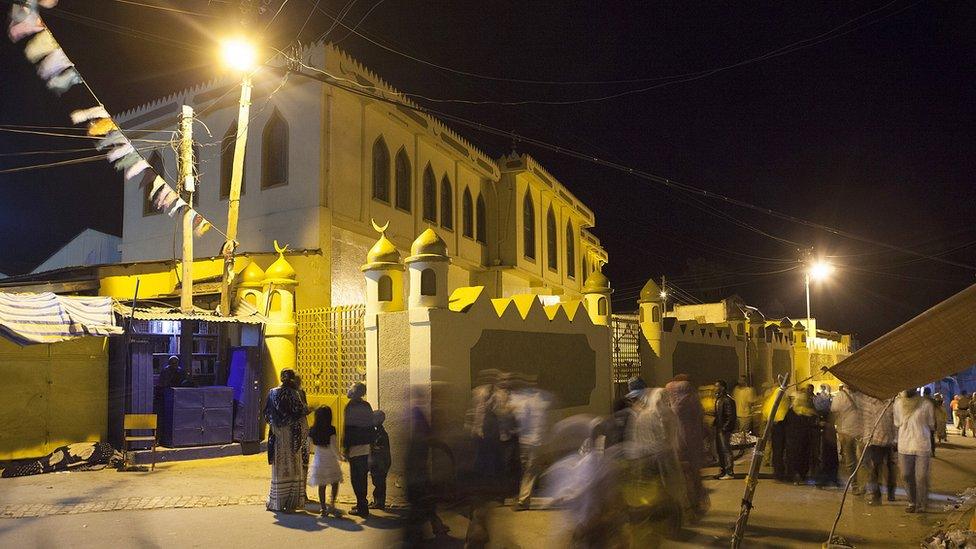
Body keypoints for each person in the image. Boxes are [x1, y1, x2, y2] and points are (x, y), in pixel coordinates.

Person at [264, 369, 310, 512]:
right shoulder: (294, 393)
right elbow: (300, 411)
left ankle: (277, 501)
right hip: (291, 436)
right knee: (293, 467)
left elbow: (267, 414)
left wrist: (275, 425)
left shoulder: (272, 393)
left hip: (277, 436)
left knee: (279, 468)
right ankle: (291, 501)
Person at [666, 374, 709, 518]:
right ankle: (695, 504)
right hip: (694, 446)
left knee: (682, 477)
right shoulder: (694, 401)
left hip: (677, 446)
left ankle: (686, 507)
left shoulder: (671, 405)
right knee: (695, 476)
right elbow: (702, 423)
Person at [508, 374, 551, 511]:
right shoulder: (539, 400)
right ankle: (523, 497)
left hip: (527, 440)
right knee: (530, 470)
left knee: (528, 470)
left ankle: (522, 498)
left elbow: (523, 420)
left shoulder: (527, 400)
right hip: (532, 440)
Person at [894, 389, 935, 513]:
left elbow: (931, 423)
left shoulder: (926, 404)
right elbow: (896, 423)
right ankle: (912, 501)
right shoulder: (898, 404)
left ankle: (922, 504)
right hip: (904, 445)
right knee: (906, 475)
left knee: (921, 477)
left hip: (922, 445)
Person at [343, 382, 375, 517]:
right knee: (362, 477)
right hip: (365, 445)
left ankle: (362, 506)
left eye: (351, 387)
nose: (349, 389)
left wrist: (345, 447)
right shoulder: (366, 405)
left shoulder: (350, 406)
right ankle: (362, 503)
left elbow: (348, 428)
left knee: (356, 478)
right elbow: (371, 425)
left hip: (355, 446)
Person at [859, 393, 897, 505]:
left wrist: (895, 440)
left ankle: (891, 493)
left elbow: (895, 424)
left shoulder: (890, 404)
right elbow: (866, 423)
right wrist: (865, 439)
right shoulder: (869, 403)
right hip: (874, 442)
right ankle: (876, 496)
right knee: (875, 470)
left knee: (890, 469)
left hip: (888, 442)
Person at [307, 406, 344, 517]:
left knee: (321, 484)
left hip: (319, 457)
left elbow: (309, 446)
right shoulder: (331, 429)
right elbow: (333, 445)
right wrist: (340, 457)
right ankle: (332, 504)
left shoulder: (312, 429)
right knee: (334, 482)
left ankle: (323, 508)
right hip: (330, 458)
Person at [831, 385, 863, 494]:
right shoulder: (859, 395)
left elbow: (834, 414)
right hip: (851, 432)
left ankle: (857, 485)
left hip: (849, 431)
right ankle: (856, 485)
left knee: (853, 460)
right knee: (856, 460)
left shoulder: (839, 397)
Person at [786, 384, 819, 485]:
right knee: (804, 458)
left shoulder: (791, 412)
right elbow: (814, 424)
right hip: (806, 440)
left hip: (793, 440)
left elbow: (786, 425)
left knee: (794, 457)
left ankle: (795, 476)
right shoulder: (810, 413)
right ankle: (802, 475)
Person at [712, 379, 736, 480]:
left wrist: (725, 428)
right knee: (720, 450)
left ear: (722, 387)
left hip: (724, 430)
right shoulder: (719, 399)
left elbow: (731, 416)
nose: (715, 388)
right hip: (719, 429)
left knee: (726, 450)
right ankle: (723, 471)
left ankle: (729, 472)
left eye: (717, 386)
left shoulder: (727, 400)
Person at [369, 410, 391, 510]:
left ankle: (379, 503)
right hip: (379, 462)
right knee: (377, 482)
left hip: (380, 462)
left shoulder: (381, 433)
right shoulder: (377, 431)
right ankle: (377, 501)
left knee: (379, 483)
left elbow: (379, 448)